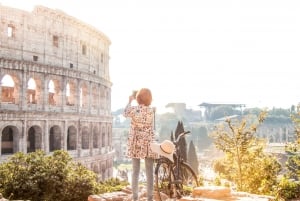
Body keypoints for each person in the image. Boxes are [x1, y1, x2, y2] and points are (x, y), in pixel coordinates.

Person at [123, 88, 157, 201]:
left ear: (138, 98)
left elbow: (124, 113)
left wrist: (129, 101)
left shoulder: (134, 110)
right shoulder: (152, 110)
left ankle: (135, 198)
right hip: (148, 142)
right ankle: (150, 199)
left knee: (135, 171)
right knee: (149, 172)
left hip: (135, 142)